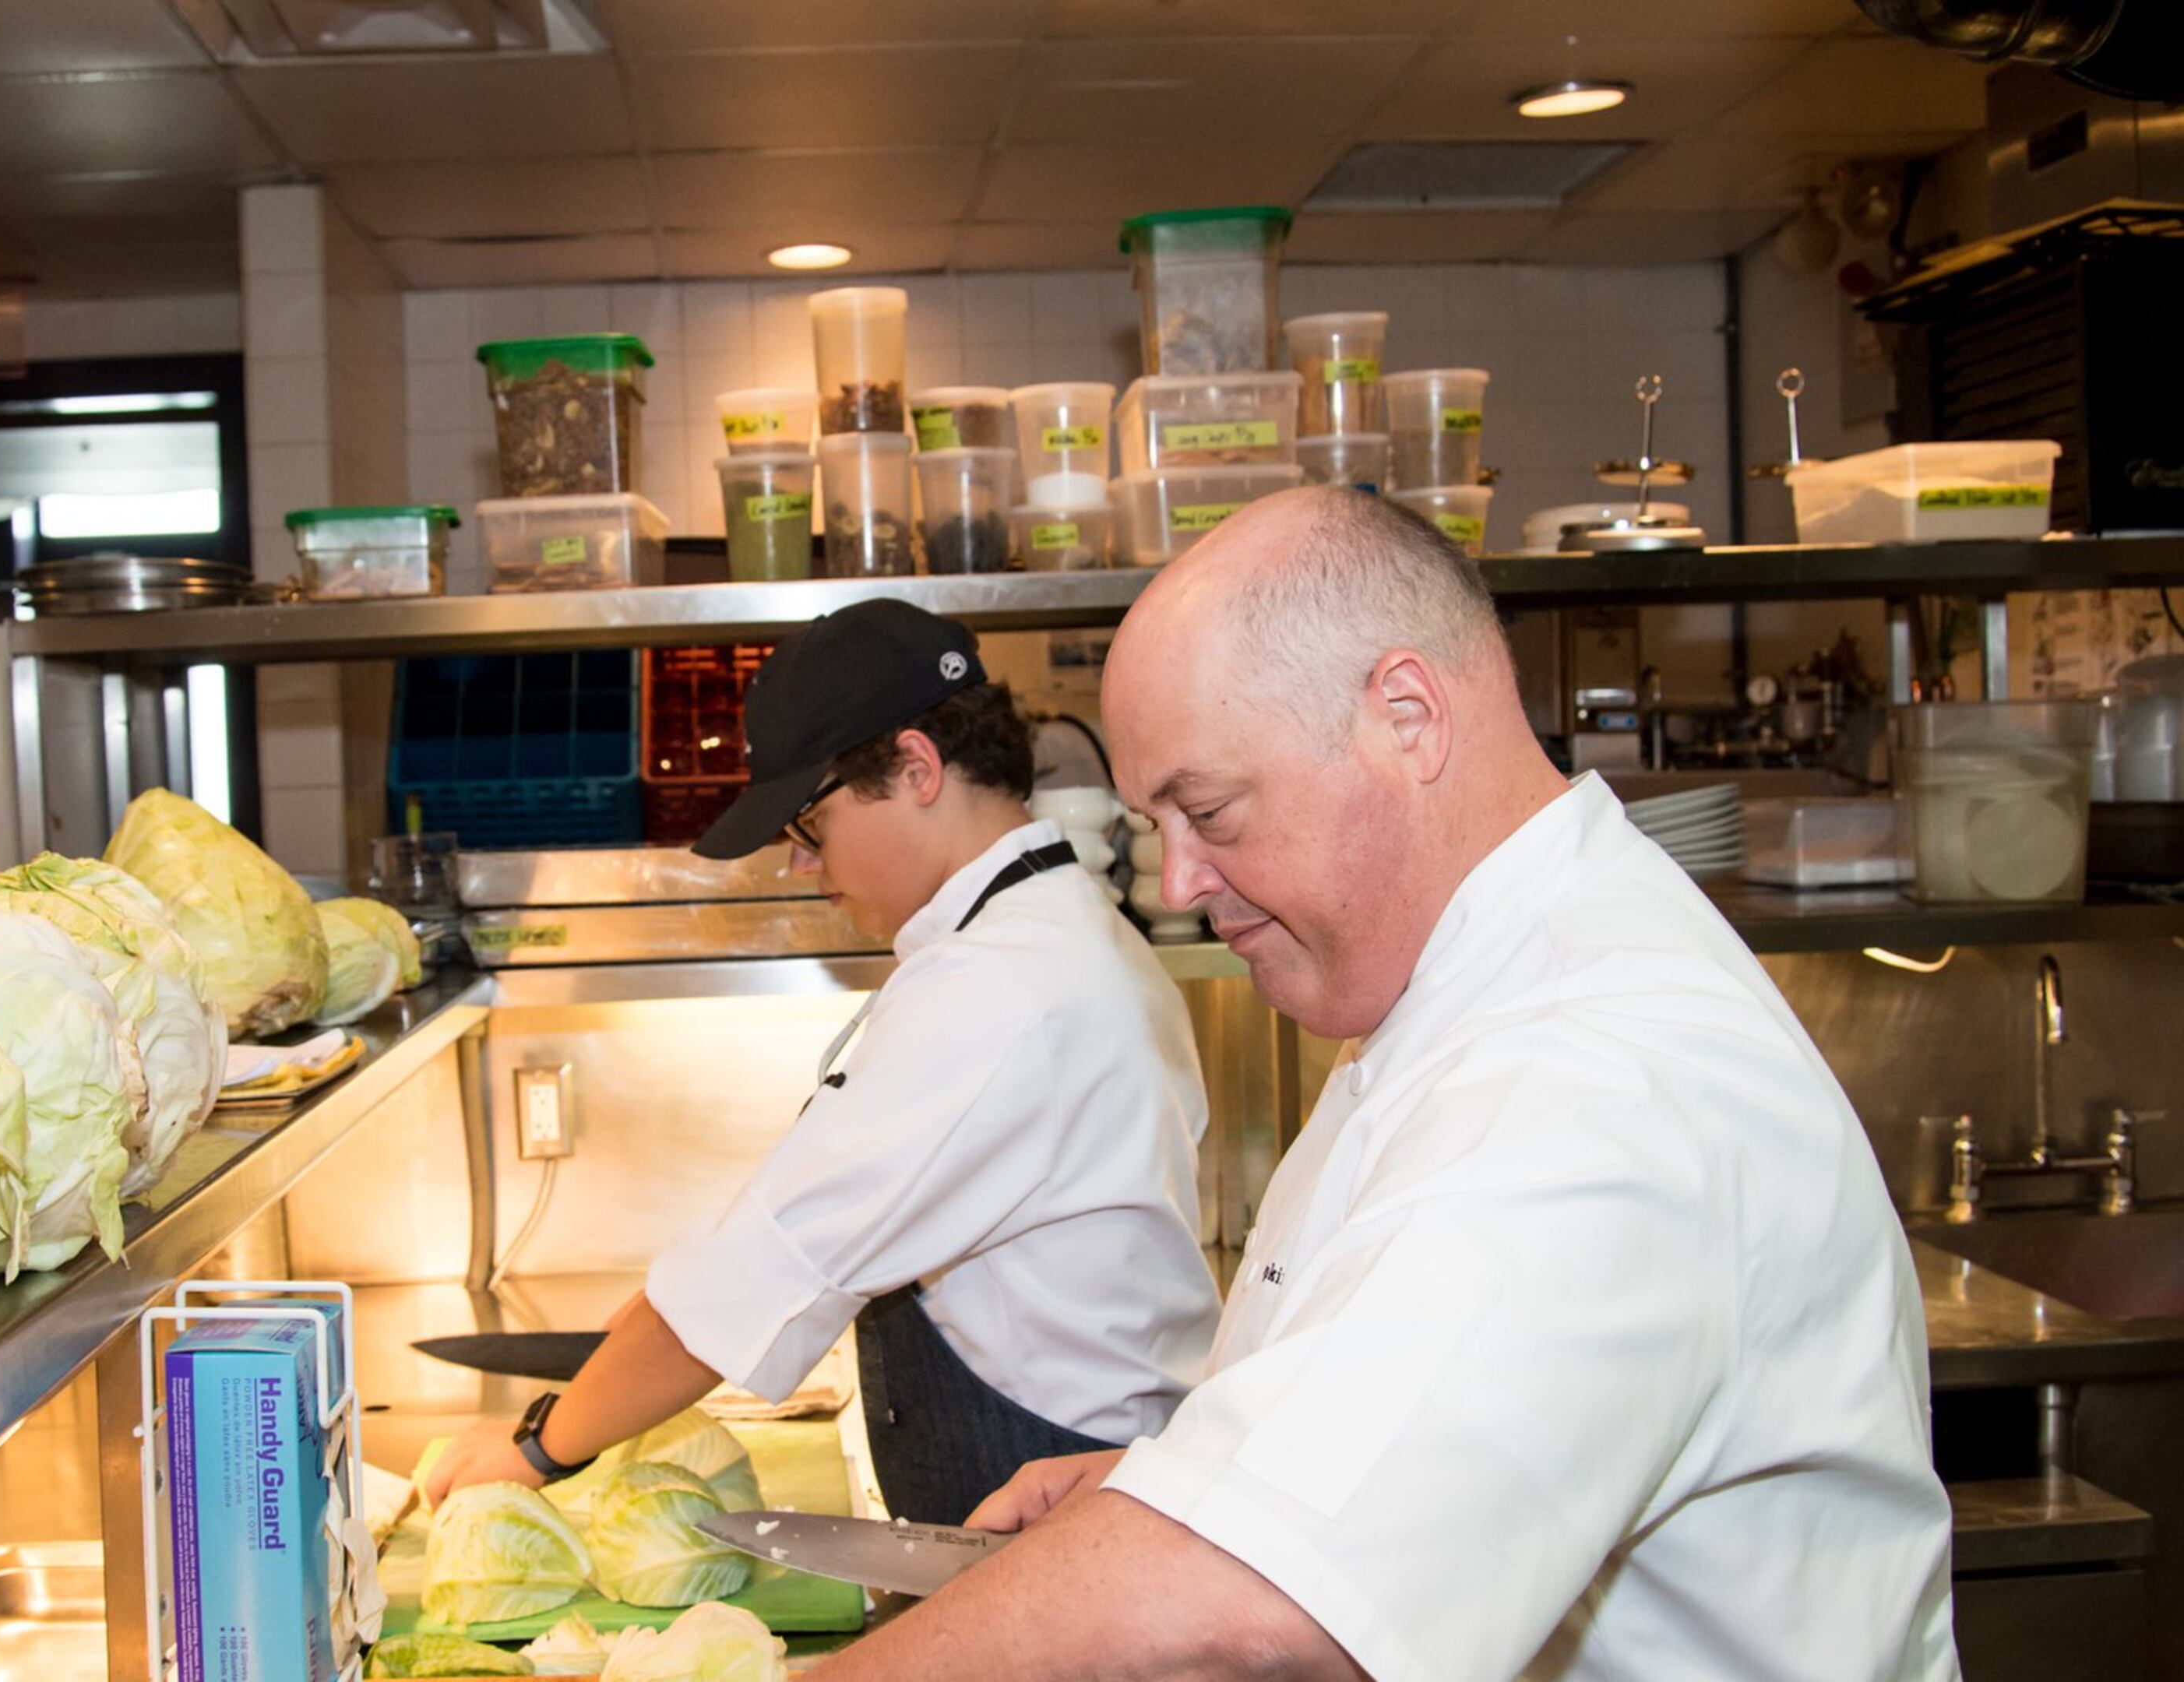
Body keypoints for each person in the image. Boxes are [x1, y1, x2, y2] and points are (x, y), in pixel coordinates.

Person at [812, 488, 1957, 1680]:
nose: (1182, 878)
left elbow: (1261, 1612)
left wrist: (1218, 1554)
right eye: (1159, 821)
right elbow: (1420, 1436)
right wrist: (1202, 1490)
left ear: (1408, 718)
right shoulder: (1459, 986)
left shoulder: (1594, 1072)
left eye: (1209, 810)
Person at [421, 598, 1221, 1525]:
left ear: (917, 768)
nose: (801, 865)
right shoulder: (1054, 933)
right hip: (1072, 1467)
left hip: (1050, 1496)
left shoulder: (999, 987)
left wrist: (535, 1449)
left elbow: (768, 1270)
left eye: (808, 824)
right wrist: (652, 1325)